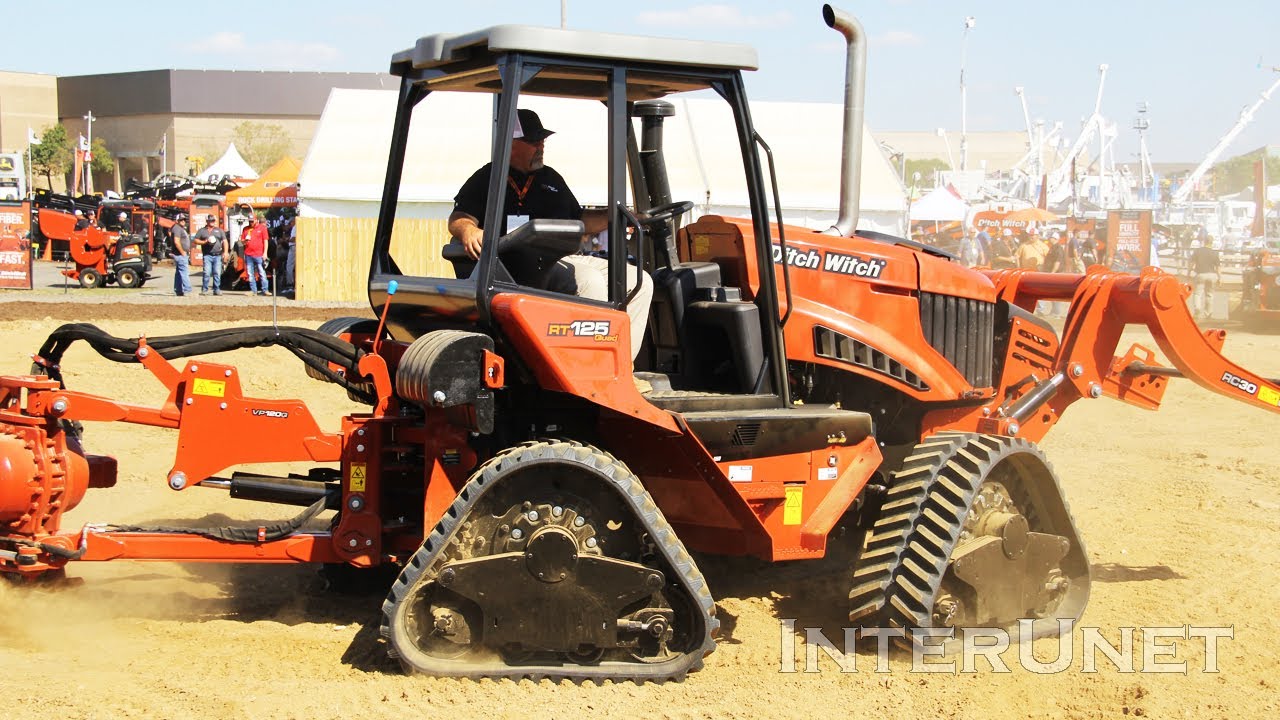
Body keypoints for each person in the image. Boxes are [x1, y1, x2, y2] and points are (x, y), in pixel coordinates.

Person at [448, 108, 652, 359]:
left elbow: (579, 220)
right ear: (511, 144)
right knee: (589, 282)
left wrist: (618, 216)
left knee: (639, 280)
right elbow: (459, 219)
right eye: (534, 141)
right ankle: (590, 367)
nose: (541, 146)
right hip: (516, 268)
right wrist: (468, 231)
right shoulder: (487, 178)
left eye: (542, 140)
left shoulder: (551, 179)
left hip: (560, 258)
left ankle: (622, 367)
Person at [194, 214, 229, 296]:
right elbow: (195, 240)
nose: (213, 222)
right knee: (207, 272)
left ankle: (216, 289)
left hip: (217, 255)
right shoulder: (202, 231)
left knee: (217, 273)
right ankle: (205, 289)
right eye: (211, 220)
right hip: (207, 255)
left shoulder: (219, 230)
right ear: (207, 221)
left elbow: (225, 241)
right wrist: (204, 242)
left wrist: (226, 252)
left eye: (213, 220)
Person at [1189, 239, 1221, 319]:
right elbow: (1218, 267)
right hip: (1212, 275)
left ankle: (1197, 309)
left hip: (1201, 274)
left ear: (1204, 242)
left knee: (1197, 294)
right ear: (1212, 243)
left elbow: (1192, 263)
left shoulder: (1197, 251)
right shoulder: (1215, 253)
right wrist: (1219, 278)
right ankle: (1208, 313)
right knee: (1209, 294)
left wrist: (1188, 272)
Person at [242, 214, 271, 295]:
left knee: (261, 272)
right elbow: (242, 241)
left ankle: (265, 290)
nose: (251, 223)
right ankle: (253, 291)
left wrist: (265, 253)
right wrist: (245, 241)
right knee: (250, 273)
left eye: (252, 221)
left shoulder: (262, 228)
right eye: (249, 221)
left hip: (259, 254)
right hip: (248, 254)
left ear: (256, 220)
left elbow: (265, 241)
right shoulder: (245, 229)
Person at [170, 214, 192, 297]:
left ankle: (178, 290)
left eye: (184, 220)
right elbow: (176, 241)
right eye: (181, 220)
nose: (183, 221)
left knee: (179, 273)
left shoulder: (180, 228)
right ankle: (187, 289)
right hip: (179, 254)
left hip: (180, 253)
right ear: (177, 221)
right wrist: (182, 252)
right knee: (184, 271)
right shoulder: (177, 228)